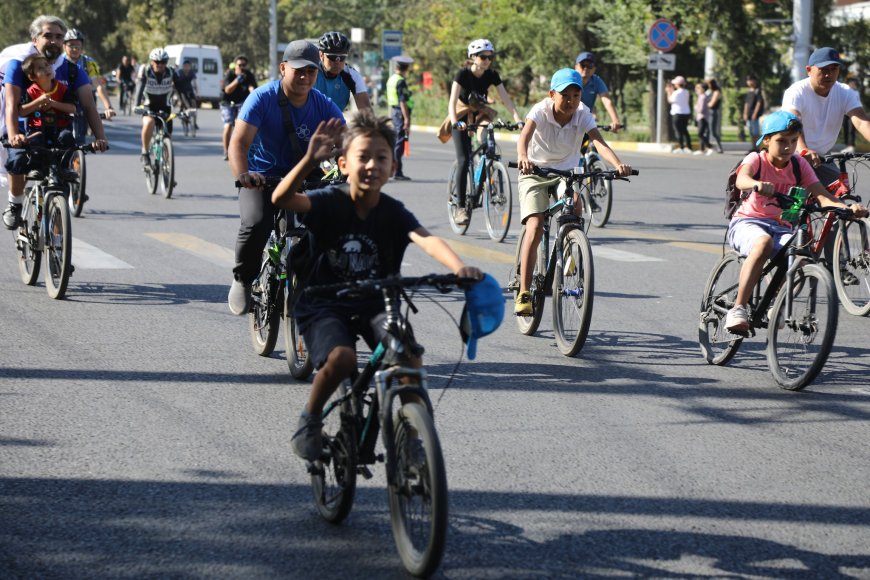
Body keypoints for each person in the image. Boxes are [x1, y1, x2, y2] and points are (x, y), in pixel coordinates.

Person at [269, 110, 484, 460]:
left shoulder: (393, 211)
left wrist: (460, 268)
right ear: (343, 164)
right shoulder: (328, 202)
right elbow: (281, 200)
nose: (372, 165)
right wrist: (309, 159)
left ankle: (412, 438)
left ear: (393, 166)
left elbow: (426, 239)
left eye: (381, 157)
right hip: (324, 303)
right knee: (341, 358)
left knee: (409, 357)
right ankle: (309, 419)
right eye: (363, 157)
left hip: (375, 304)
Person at [227, 40, 344, 316]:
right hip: (262, 177)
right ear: (283, 68)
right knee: (256, 222)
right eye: (298, 71)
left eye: (311, 72)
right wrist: (244, 175)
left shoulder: (323, 104)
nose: (305, 77)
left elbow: (348, 142)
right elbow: (238, 144)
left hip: (306, 176)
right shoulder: (262, 98)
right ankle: (243, 279)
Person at [724, 110, 868, 332]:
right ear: (766, 141)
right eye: (781, 141)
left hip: (782, 226)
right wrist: (756, 184)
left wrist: (848, 208)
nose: (788, 147)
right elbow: (742, 179)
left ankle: (776, 305)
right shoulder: (757, 159)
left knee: (802, 257)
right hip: (748, 222)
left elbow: (822, 197)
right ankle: (738, 308)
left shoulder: (799, 164)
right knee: (763, 243)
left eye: (793, 141)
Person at [514, 69, 631, 315]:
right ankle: (524, 292)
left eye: (576, 95)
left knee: (575, 209)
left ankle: (570, 254)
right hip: (535, 172)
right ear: (552, 94)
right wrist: (523, 157)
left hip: (566, 173)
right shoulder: (540, 110)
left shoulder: (582, 114)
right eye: (565, 95)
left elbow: (599, 141)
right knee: (535, 225)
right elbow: (524, 136)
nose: (571, 101)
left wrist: (617, 164)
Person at [2, 14, 108, 230]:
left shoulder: (72, 69)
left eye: (59, 37)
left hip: (56, 129)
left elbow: (88, 105)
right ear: (35, 40)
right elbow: (11, 105)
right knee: (18, 160)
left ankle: (58, 242)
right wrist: (14, 136)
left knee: (62, 171)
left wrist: (100, 138)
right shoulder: (19, 66)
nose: (54, 41)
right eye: (47, 35)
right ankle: (15, 204)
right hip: (23, 128)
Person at [446, 39, 523, 225]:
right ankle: (461, 207)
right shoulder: (462, 74)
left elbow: (506, 99)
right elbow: (452, 102)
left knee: (488, 140)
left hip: (480, 113)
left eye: (490, 57)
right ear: (472, 57)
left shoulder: (492, 75)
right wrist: (456, 123)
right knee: (464, 159)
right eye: (483, 57)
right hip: (461, 115)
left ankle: (487, 168)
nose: (487, 61)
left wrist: (518, 119)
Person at [783, 47, 870, 188]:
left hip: (823, 156)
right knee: (794, 204)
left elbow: (861, 122)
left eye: (834, 69)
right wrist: (804, 149)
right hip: (794, 156)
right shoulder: (796, 91)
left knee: (840, 200)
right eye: (823, 69)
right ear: (809, 70)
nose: (829, 75)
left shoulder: (845, 92)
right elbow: (793, 121)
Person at [3, 54, 77, 178]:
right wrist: (38, 101)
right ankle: (36, 168)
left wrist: (53, 104)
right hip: (38, 128)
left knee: (67, 138)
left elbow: (72, 108)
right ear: (32, 77)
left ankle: (65, 167)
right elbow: (21, 111)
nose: (46, 69)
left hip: (60, 127)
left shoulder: (62, 88)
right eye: (40, 68)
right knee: (35, 142)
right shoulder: (30, 91)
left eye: (47, 65)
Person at [62, 27, 114, 144]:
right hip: (63, 102)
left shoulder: (89, 62)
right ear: (64, 46)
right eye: (71, 45)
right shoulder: (57, 61)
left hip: (83, 101)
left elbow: (99, 86)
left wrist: (108, 107)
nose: (75, 49)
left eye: (78, 46)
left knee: (81, 140)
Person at [134, 48, 183, 164]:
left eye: (163, 62)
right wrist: (136, 105)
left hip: (165, 107)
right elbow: (140, 88)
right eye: (157, 62)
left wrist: (188, 107)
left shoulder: (171, 72)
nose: (160, 65)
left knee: (167, 137)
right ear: (152, 61)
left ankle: (167, 173)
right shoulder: (146, 70)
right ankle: (145, 152)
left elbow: (181, 90)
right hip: (148, 106)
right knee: (149, 123)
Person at [312, 31, 371, 111]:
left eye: (342, 57)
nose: (337, 62)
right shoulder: (311, 71)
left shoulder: (353, 76)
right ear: (321, 55)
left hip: (335, 119)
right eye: (332, 57)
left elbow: (366, 111)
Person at [573, 51, 621, 132]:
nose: (586, 68)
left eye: (590, 65)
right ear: (576, 67)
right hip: (568, 118)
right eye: (583, 65)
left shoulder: (596, 81)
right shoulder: (570, 79)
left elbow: (607, 101)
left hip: (586, 120)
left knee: (593, 143)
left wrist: (615, 120)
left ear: (594, 69)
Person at [220, 55, 257, 160]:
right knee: (228, 125)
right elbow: (227, 90)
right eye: (240, 65)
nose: (242, 67)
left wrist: (253, 91)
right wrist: (237, 80)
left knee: (240, 124)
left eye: (244, 65)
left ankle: (239, 150)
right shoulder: (229, 74)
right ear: (235, 65)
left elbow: (252, 87)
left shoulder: (249, 75)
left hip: (241, 102)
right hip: (227, 102)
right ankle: (226, 151)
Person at [386, 55, 413, 180]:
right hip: (400, 113)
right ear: (406, 68)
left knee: (398, 140)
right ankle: (397, 171)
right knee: (400, 142)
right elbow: (402, 101)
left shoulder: (392, 79)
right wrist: (406, 118)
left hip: (394, 112)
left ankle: (395, 170)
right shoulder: (400, 81)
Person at [666, 75, 691, 153]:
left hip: (677, 113)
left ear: (677, 84)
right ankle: (689, 147)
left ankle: (681, 147)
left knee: (678, 131)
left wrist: (669, 92)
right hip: (686, 113)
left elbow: (670, 100)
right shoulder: (686, 92)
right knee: (685, 130)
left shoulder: (676, 93)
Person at [743, 75, 764, 152]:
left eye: (750, 80)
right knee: (751, 133)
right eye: (748, 80)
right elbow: (746, 103)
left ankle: (758, 148)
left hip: (753, 116)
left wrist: (755, 113)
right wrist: (745, 114)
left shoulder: (757, 91)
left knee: (756, 133)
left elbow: (759, 103)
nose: (748, 82)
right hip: (748, 115)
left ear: (754, 81)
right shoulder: (749, 91)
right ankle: (753, 147)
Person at [840, 77, 860, 154]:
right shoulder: (846, 91)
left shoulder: (856, 92)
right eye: (851, 83)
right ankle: (847, 146)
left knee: (851, 130)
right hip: (845, 113)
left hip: (853, 114)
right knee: (845, 129)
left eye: (853, 83)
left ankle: (851, 146)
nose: (852, 85)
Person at [706, 78, 724, 153]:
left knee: (713, 131)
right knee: (706, 130)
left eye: (709, 84)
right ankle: (708, 146)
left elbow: (711, 104)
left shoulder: (717, 92)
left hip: (713, 112)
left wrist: (704, 104)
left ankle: (719, 147)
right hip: (707, 112)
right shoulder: (710, 92)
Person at [694, 81, 712, 156]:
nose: (697, 89)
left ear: (703, 89)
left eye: (698, 88)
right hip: (702, 117)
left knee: (700, 133)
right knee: (701, 134)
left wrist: (695, 107)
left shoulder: (702, 97)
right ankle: (702, 149)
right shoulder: (702, 96)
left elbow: (700, 109)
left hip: (702, 117)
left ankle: (709, 146)